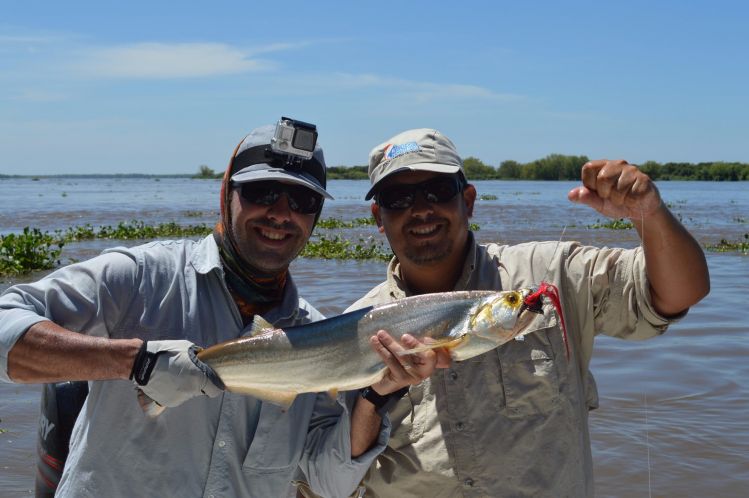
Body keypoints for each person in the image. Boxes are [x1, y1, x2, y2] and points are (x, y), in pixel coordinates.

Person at [0, 121, 441, 498]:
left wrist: (377, 396)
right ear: (226, 194)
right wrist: (136, 362)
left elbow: (327, 482)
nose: (281, 214)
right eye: (263, 192)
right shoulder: (139, 279)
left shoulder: (318, 337)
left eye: (303, 202)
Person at [346, 128, 710, 497]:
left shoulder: (550, 273)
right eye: (398, 198)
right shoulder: (352, 326)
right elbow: (334, 465)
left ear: (468, 201)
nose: (421, 209)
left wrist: (650, 215)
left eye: (438, 192)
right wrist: (372, 399)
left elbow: (680, 293)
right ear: (379, 216)